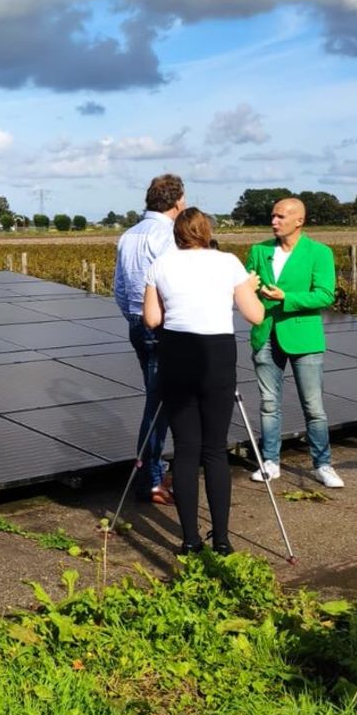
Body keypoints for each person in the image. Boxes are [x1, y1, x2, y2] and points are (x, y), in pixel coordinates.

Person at [143, 208, 265, 555]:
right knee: (214, 449)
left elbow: (152, 319)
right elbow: (254, 315)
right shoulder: (228, 262)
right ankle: (223, 540)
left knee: (185, 450)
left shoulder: (161, 265)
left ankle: (190, 539)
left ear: (177, 235)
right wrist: (244, 290)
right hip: (217, 357)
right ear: (206, 231)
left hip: (177, 355)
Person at [246, 197, 343, 487]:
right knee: (268, 403)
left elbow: (325, 295)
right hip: (266, 333)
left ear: (298, 220)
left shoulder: (319, 253)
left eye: (280, 217)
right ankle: (271, 461)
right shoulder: (259, 250)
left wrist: (286, 298)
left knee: (313, 406)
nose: (274, 221)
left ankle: (323, 464)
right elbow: (247, 287)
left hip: (304, 337)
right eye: (272, 216)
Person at [112, 173, 186, 503]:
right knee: (160, 406)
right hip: (163, 328)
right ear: (178, 201)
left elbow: (117, 287)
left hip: (137, 327)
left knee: (157, 401)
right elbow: (174, 287)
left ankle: (155, 472)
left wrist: (134, 317)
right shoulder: (167, 235)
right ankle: (151, 480)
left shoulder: (128, 235)